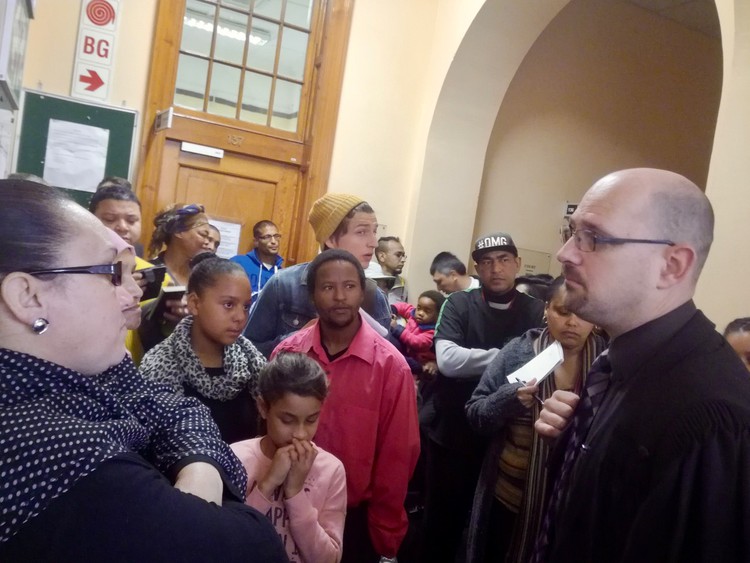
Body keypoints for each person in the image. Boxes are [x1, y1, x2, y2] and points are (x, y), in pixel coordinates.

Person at [0, 179, 286, 561]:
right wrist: (192, 511)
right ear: (28, 297)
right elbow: (258, 547)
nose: (135, 293)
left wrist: (197, 473)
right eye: (113, 274)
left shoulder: (91, 371)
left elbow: (175, 408)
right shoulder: (53, 454)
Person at [533, 168, 750, 563]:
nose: (565, 254)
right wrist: (578, 447)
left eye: (593, 238)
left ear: (672, 265)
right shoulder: (618, 362)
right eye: (572, 232)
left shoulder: (710, 418)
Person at [273, 249, 420, 563]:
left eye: (350, 286)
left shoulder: (391, 367)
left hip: (354, 520)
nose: (340, 296)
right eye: (328, 287)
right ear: (312, 295)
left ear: (362, 291)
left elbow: (397, 457)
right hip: (283, 504)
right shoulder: (287, 354)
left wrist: (386, 538)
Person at [422, 232, 544, 563]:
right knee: (441, 524)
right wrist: (507, 357)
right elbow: (447, 360)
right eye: (487, 262)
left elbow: (541, 367)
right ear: (477, 268)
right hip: (453, 433)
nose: (496, 269)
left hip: (507, 441)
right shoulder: (459, 303)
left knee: (492, 530)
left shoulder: (537, 311)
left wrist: (479, 362)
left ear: (517, 264)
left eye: (504, 260)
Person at [464, 277, 604, 563]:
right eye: (563, 311)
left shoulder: (608, 360)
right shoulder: (518, 352)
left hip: (573, 506)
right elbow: (475, 414)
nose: (573, 322)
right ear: (546, 310)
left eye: (583, 313)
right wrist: (508, 400)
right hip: (510, 499)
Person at [231, 352, 347, 563]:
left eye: (311, 420)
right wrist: (267, 484)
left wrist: (295, 493)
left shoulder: (331, 470)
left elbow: (329, 559)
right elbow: (229, 543)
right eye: (287, 420)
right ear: (263, 408)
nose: (300, 434)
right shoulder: (235, 458)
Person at [245, 193, 391, 358]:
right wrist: (299, 338)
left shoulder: (374, 296)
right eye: (362, 232)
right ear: (330, 238)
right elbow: (247, 351)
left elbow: (386, 361)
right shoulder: (284, 285)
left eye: (374, 231)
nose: (374, 242)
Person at [140, 256, 266, 443]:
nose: (240, 317)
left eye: (246, 307)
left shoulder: (252, 361)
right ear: (194, 303)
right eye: (228, 305)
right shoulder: (159, 367)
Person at [138, 203, 216, 353]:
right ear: (179, 232)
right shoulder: (147, 273)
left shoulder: (203, 278)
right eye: (203, 235)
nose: (207, 243)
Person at [390, 289, 445, 376]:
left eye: (427, 311)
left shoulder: (432, 331)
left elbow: (416, 341)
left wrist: (397, 328)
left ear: (438, 315)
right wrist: (393, 309)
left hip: (419, 360)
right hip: (408, 350)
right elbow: (404, 307)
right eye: (419, 308)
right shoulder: (414, 314)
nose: (420, 313)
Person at [89, 177, 143, 255]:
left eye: (131, 220)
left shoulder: (138, 255)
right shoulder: (73, 258)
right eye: (109, 219)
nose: (123, 227)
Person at [231, 220, 285, 299]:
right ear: (256, 241)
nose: (274, 241)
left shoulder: (282, 274)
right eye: (267, 237)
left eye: (276, 236)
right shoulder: (238, 263)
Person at [375, 236, 408, 304]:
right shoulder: (368, 282)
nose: (403, 260)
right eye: (398, 255)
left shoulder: (402, 283)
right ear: (382, 257)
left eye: (403, 255)